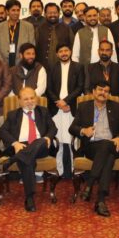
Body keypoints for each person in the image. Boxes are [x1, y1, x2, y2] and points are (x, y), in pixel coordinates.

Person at [69, 81, 119, 216]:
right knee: (108, 156)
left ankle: (90, 183)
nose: (103, 93)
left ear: (109, 94)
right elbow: (72, 128)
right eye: (100, 90)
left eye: (106, 91)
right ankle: (100, 200)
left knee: (107, 146)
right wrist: (83, 130)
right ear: (93, 91)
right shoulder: (84, 107)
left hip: (113, 144)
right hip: (92, 146)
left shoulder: (117, 107)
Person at [0, 87, 57, 212]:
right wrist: (15, 143)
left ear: (36, 98)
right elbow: (2, 131)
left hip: (41, 146)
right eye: (26, 99)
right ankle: (29, 198)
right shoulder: (13, 114)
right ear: (19, 101)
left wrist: (48, 137)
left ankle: (13, 159)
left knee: (41, 141)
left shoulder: (43, 111)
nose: (30, 101)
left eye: (32, 98)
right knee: (27, 160)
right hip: (21, 146)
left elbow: (53, 128)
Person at [46, 42, 85, 176]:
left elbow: (80, 87)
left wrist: (66, 101)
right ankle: (58, 169)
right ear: (57, 54)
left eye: (66, 50)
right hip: (56, 108)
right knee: (58, 139)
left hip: (71, 107)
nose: (64, 53)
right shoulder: (52, 68)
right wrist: (59, 102)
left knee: (74, 140)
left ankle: (76, 168)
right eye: (61, 51)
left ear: (70, 52)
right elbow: (49, 89)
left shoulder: (78, 67)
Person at [0, 0, 35, 67]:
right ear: (7, 11)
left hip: (22, 65)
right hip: (3, 65)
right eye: (13, 10)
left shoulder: (28, 26)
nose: (16, 13)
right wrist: (3, 63)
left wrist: (23, 62)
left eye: (18, 10)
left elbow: (32, 46)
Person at [35, 3, 73, 70]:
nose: (52, 15)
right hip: (43, 68)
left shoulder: (66, 28)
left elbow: (72, 47)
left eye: (55, 13)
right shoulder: (39, 29)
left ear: (59, 14)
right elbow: (35, 48)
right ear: (45, 14)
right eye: (50, 13)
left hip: (64, 67)